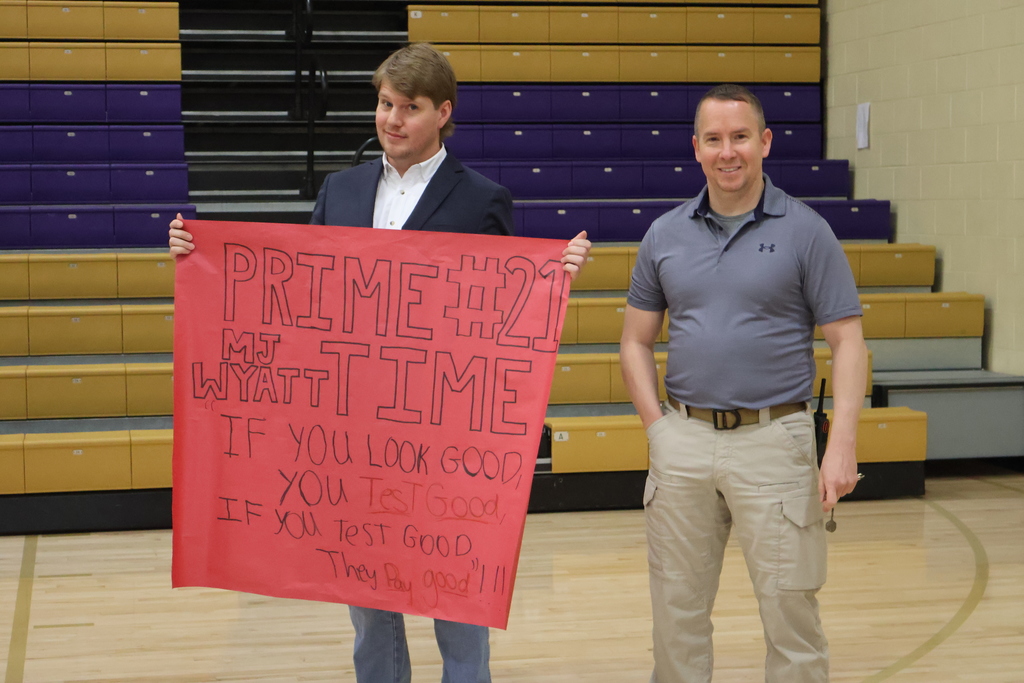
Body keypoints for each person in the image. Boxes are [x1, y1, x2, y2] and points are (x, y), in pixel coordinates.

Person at [170, 43, 592, 683]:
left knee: (457, 598)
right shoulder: (340, 190)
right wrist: (199, 257)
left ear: (443, 112)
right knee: (367, 605)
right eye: (384, 104)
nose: (391, 120)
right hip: (353, 437)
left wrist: (551, 276)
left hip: (445, 437)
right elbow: (301, 299)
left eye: (409, 108)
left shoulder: (482, 199)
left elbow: (505, 309)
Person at [620, 83, 868, 683]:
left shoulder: (807, 231)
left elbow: (850, 344)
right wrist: (658, 429)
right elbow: (634, 341)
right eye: (713, 139)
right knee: (675, 612)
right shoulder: (665, 233)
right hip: (683, 441)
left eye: (739, 137)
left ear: (764, 142)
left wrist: (841, 447)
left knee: (790, 612)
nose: (726, 152)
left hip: (775, 443)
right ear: (696, 148)